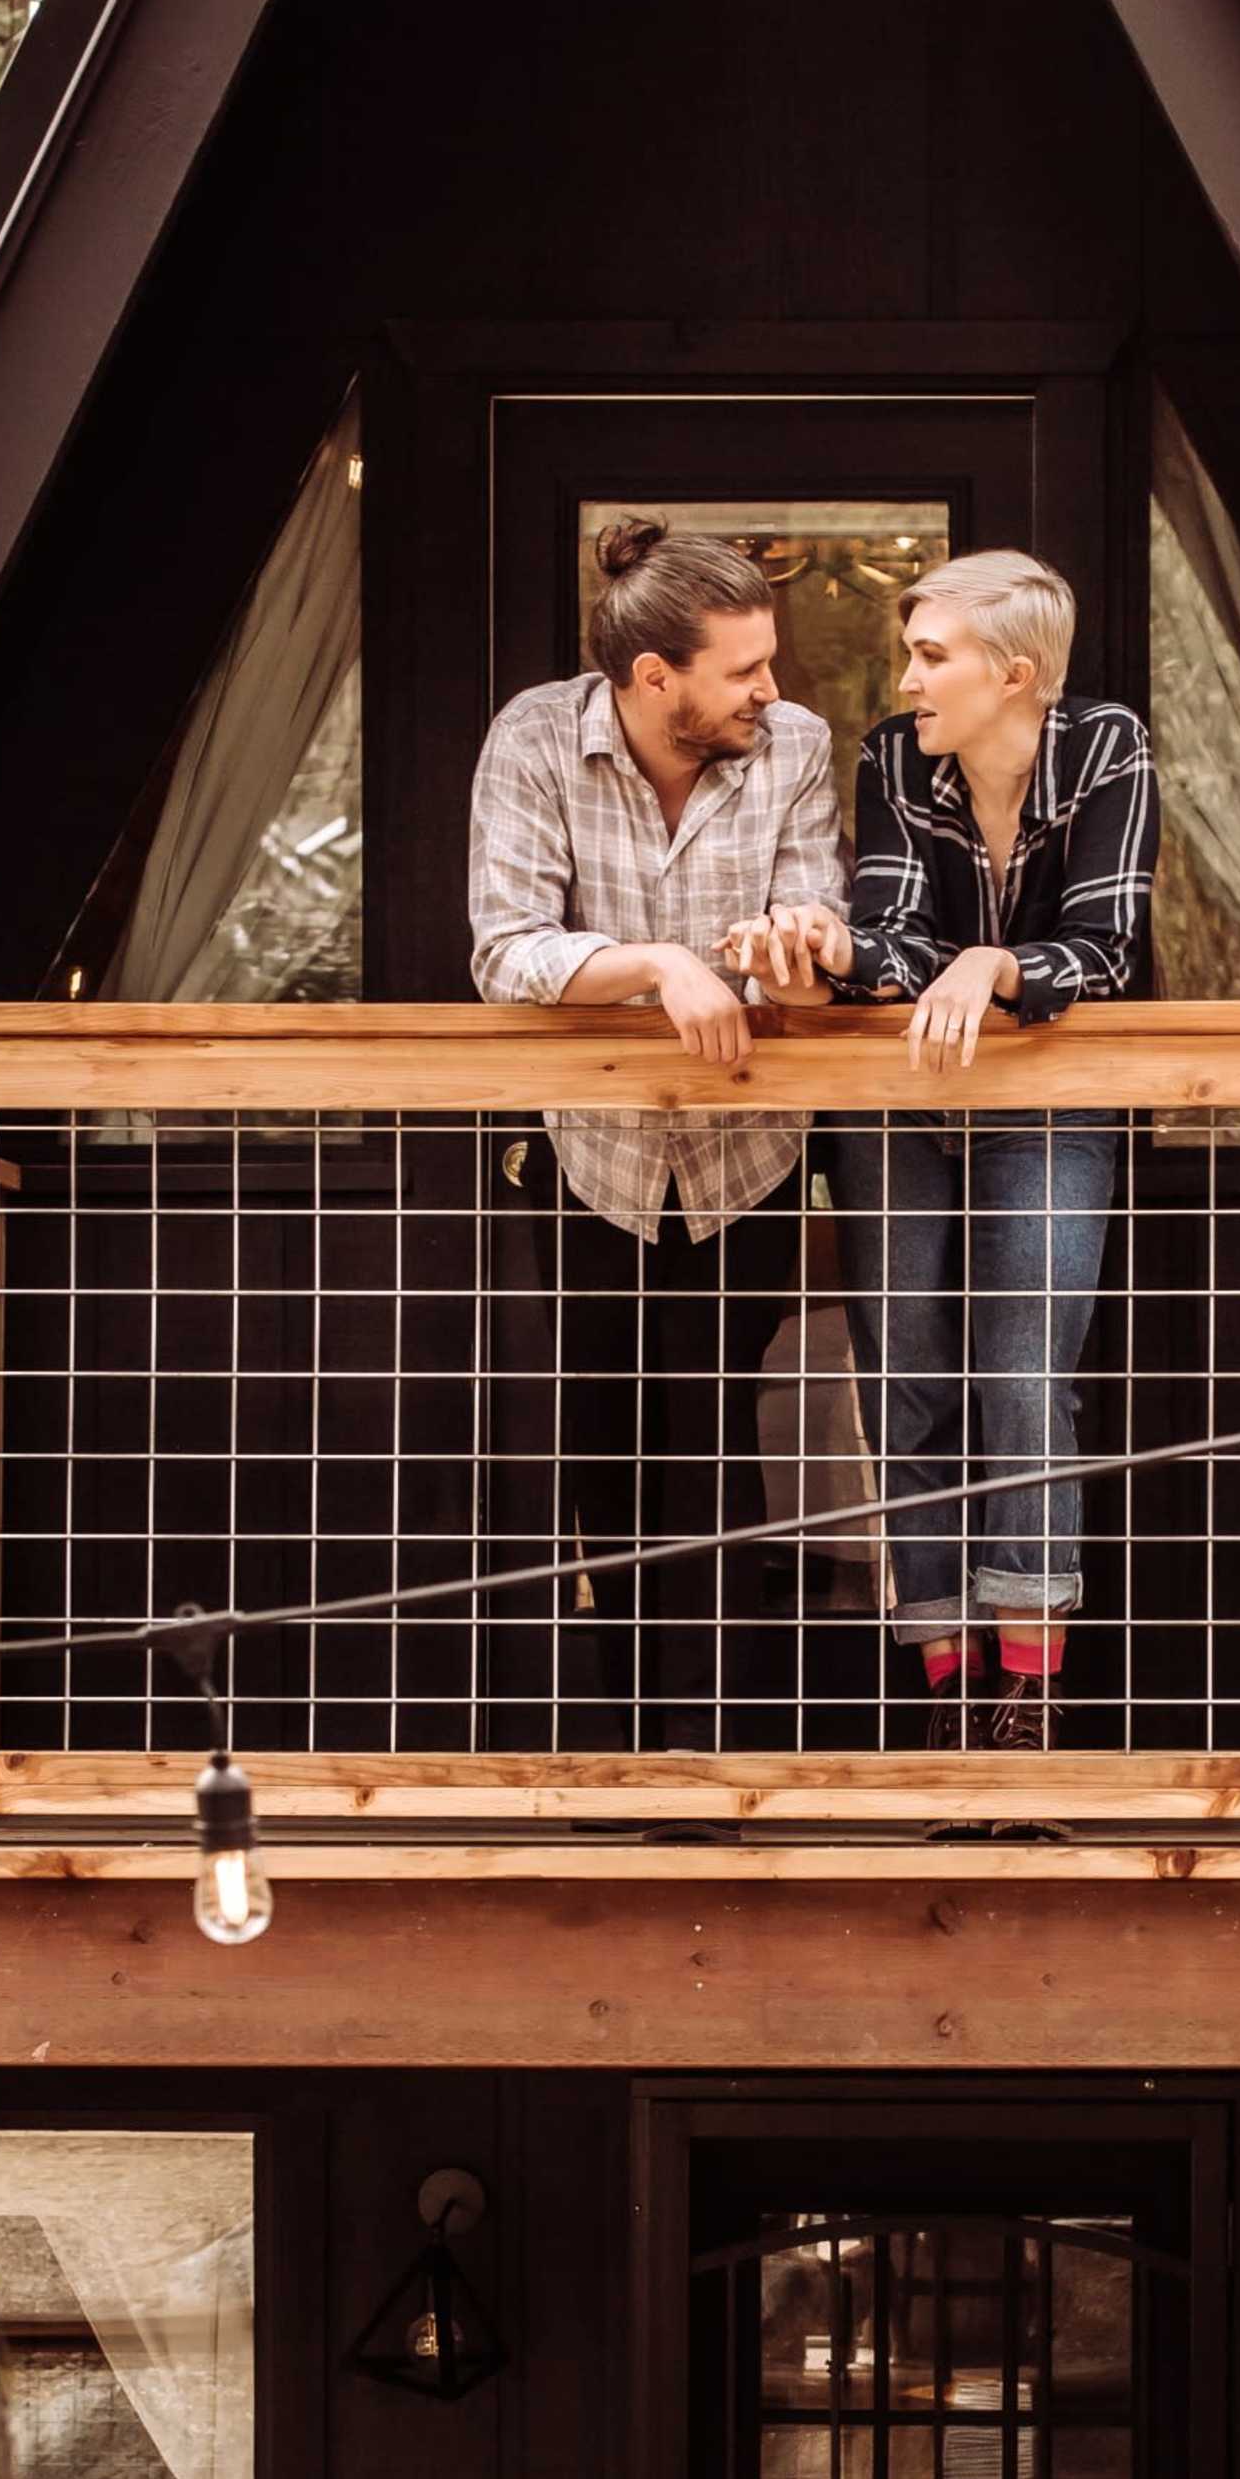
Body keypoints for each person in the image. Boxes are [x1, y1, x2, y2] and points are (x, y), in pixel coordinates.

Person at [467, 518, 854, 1736]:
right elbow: (505, 950)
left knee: (722, 1438)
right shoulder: (534, 736)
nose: (770, 688)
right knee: (604, 1436)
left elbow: (817, 938)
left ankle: (705, 1745)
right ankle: (616, 1732)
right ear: (652, 680)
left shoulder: (792, 745)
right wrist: (659, 968)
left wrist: (796, 965)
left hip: (751, 1157)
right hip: (590, 1157)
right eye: (743, 669)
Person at [826, 552, 1159, 1747]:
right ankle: (944, 1681)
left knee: (1022, 1383)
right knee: (903, 1385)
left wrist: (998, 962)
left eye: (932, 655)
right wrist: (831, 951)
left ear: (1015, 675)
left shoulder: (1106, 746)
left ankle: (1028, 1687)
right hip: (898, 1101)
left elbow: (1106, 945)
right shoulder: (890, 758)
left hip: (1052, 1103)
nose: (908, 678)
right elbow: (891, 936)